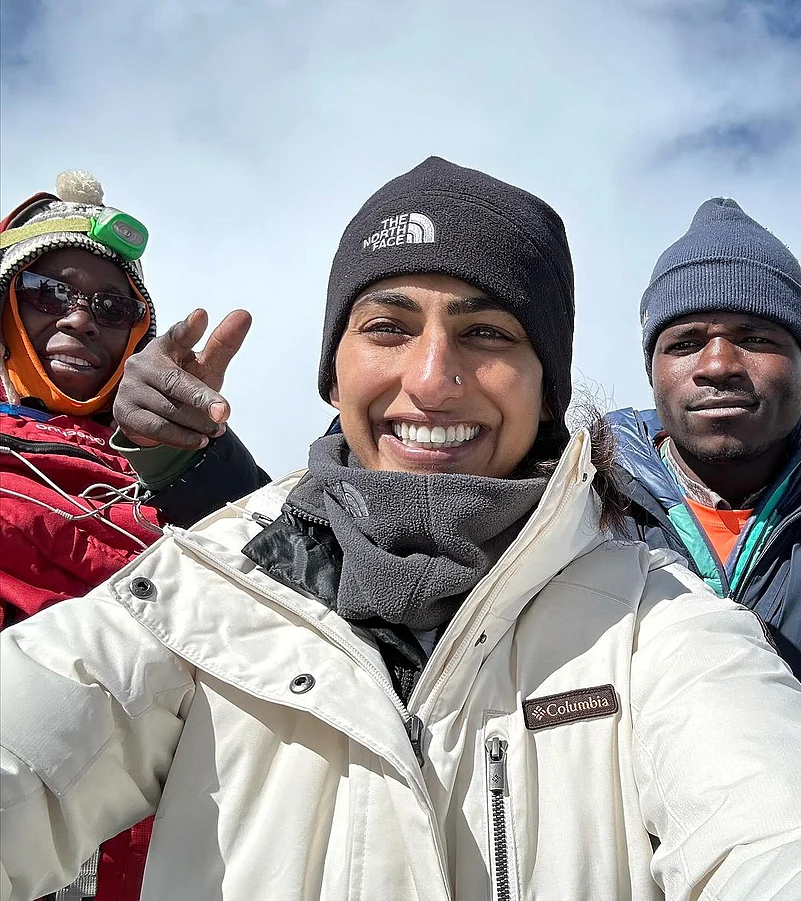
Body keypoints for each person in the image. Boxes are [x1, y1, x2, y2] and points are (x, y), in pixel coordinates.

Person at [2, 158, 800, 901]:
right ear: (335, 367)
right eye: (387, 326)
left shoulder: (652, 617)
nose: (431, 380)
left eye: (487, 332)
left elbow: (763, 821)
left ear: (547, 385)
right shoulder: (202, 587)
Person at [0, 172, 267, 901]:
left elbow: (296, 596)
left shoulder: (165, 477)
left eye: (110, 306)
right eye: (48, 291)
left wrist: (194, 458)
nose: (81, 319)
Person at [610, 198, 801, 677]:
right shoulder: (575, 510)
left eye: (755, 338)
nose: (718, 365)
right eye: (686, 343)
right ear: (652, 372)